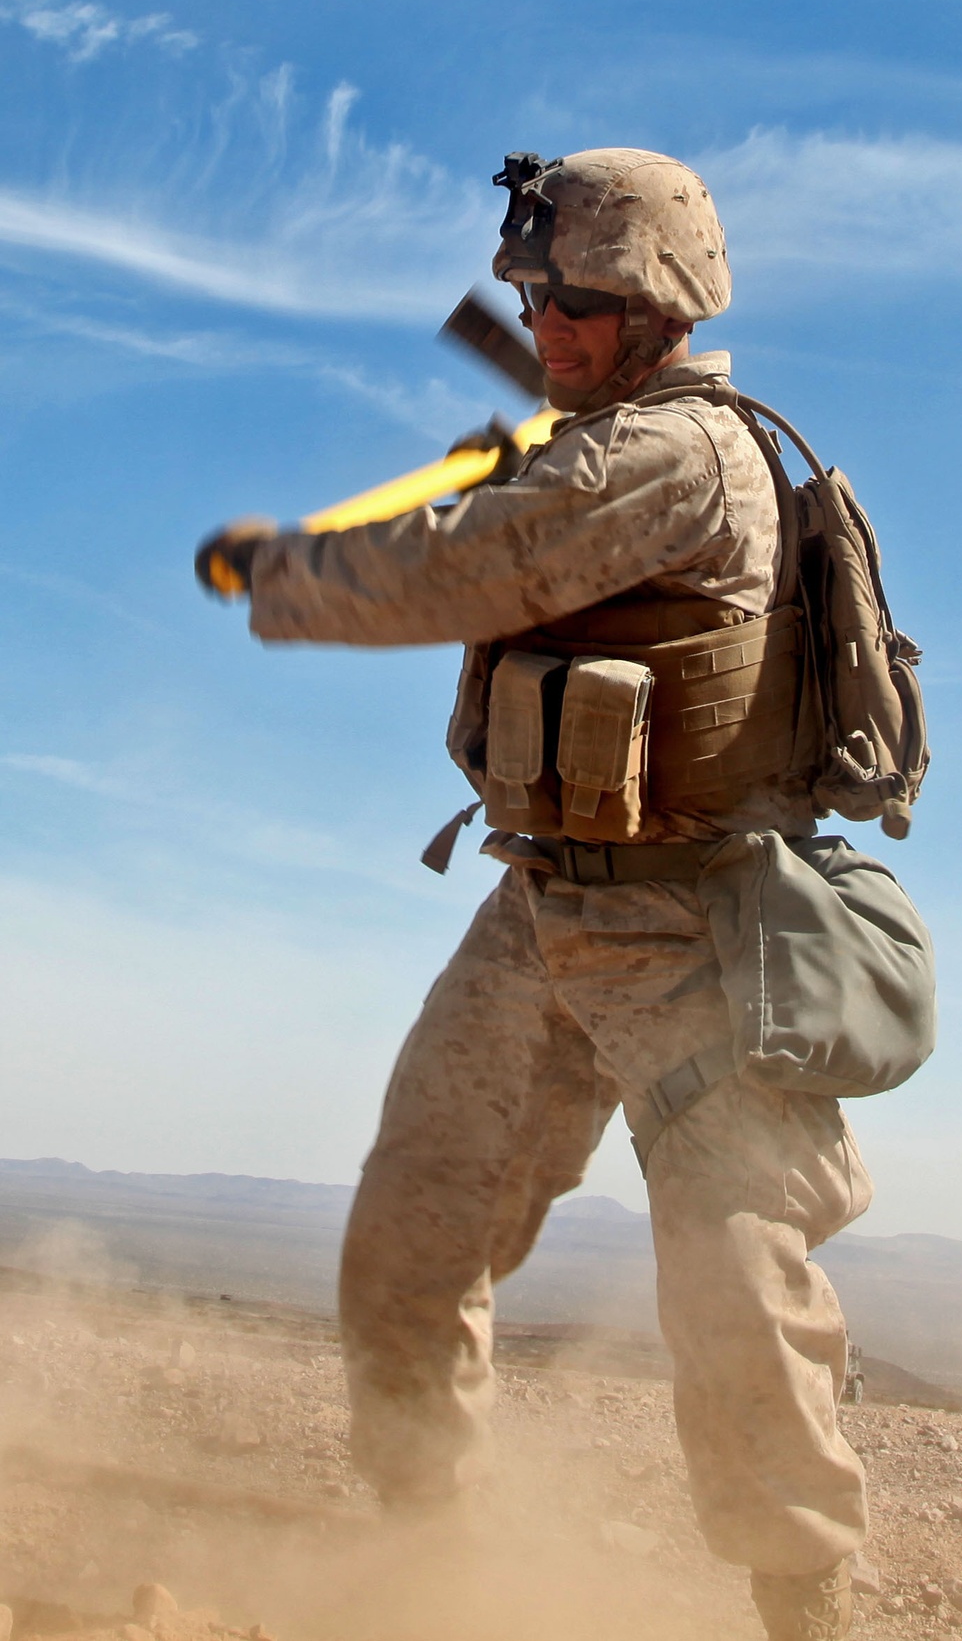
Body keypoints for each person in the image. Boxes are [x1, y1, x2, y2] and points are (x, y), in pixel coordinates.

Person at [196, 149, 876, 1641]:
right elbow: (529, 509)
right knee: (415, 1230)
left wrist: (284, 575)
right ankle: (431, 1561)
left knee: (734, 1292)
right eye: (530, 297)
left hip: (693, 925)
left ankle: (806, 1606)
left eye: (576, 299)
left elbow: (478, 561)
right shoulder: (605, 436)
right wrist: (521, 453)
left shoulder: (671, 458)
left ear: (659, 305)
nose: (544, 323)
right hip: (546, 914)